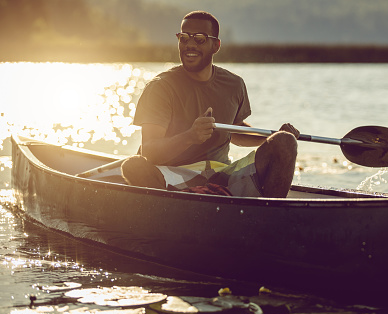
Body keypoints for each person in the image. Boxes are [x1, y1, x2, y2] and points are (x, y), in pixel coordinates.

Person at [121, 11, 298, 198]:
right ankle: (172, 210)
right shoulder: (160, 87)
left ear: (216, 45)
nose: (189, 44)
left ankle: (268, 217)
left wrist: (272, 137)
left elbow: (235, 131)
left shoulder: (234, 84)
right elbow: (150, 152)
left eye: (199, 39)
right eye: (184, 38)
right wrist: (190, 136)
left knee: (285, 142)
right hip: (174, 175)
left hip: (224, 175)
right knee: (133, 166)